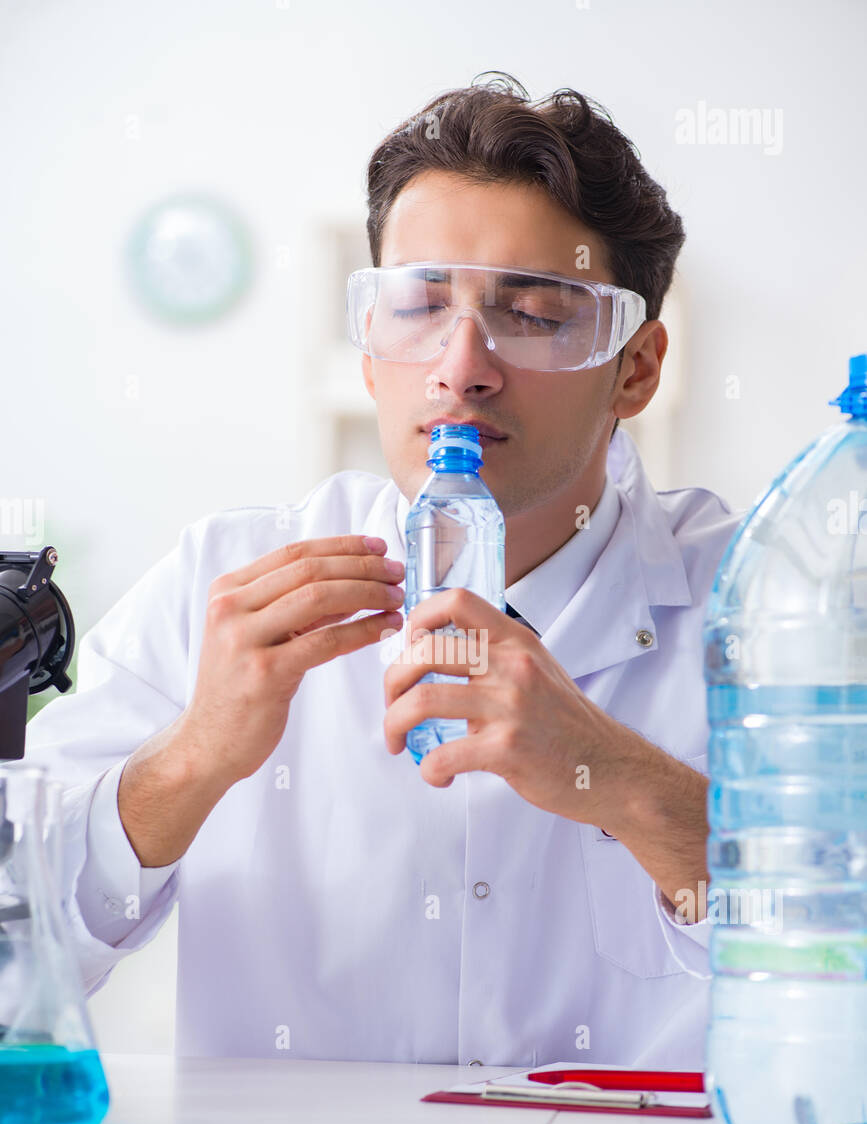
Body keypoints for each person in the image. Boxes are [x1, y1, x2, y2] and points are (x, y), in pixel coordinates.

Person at [25, 74, 744, 1068]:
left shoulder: (758, 607)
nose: (461, 364)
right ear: (369, 350)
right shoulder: (225, 584)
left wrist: (616, 776)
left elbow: (842, 968)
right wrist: (194, 759)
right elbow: (16, 940)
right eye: (417, 305)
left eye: (532, 311)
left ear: (636, 368)